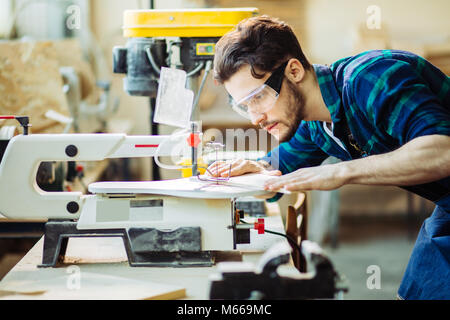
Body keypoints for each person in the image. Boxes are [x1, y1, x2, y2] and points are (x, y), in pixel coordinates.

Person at [207, 15, 450, 300]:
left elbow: (442, 151)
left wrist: (339, 172)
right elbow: (279, 166)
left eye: (258, 97)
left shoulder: (370, 79)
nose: (255, 118)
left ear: (294, 71)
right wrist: (256, 167)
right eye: (244, 106)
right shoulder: (316, 125)